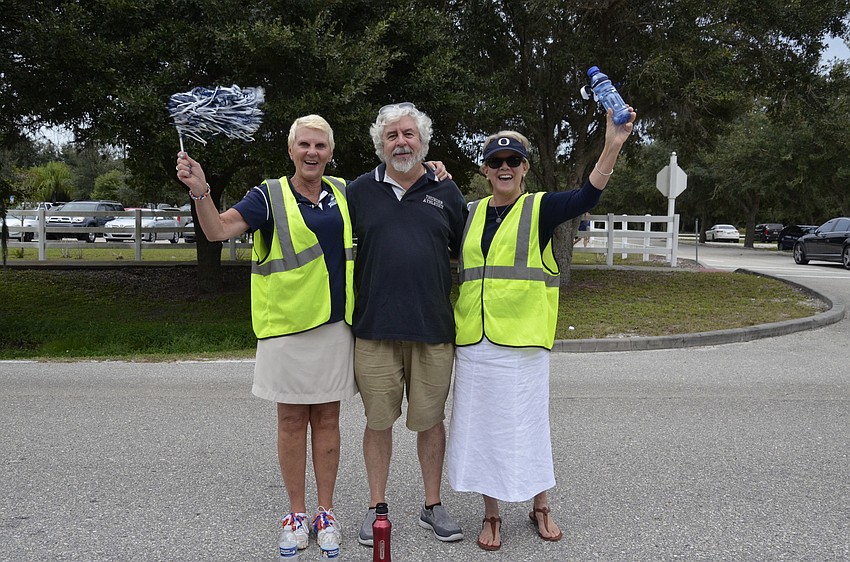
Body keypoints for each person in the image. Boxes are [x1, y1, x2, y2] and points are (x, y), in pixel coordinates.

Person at [446, 107, 637, 551]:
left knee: (527, 426)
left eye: (513, 160)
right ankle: (491, 513)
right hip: (475, 342)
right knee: (483, 428)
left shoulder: (541, 208)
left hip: (523, 344)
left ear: (525, 167)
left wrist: (612, 144)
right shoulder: (469, 213)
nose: (505, 168)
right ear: (485, 170)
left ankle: (541, 505)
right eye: (496, 161)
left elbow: (587, 196)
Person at [344, 102, 468, 547]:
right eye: (392, 135)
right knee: (378, 422)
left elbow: (470, 250)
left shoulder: (445, 190)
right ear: (381, 145)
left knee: (431, 421)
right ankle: (377, 506)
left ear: (423, 143)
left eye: (409, 134)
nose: (401, 142)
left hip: (433, 328)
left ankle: (432, 505)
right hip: (374, 329)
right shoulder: (357, 192)